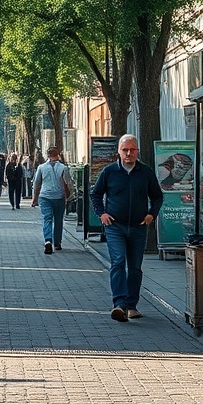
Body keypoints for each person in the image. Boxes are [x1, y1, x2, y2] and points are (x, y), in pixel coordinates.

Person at [89, 134, 164, 322]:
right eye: (125, 150)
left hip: (138, 227)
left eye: (132, 150)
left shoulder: (145, 172)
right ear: (119, 151)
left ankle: (131, 305)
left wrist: (151, 214)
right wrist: (102, 214)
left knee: (135, 267)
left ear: (138, 151)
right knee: (118, 261)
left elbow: (157, 196)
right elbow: (95, 194)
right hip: (115, 226)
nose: (129, 153)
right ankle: (119, 304)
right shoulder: (109, 172)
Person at [31, 146, 73, 254]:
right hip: (59, 197)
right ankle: (57, 243)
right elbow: (68, 183)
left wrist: (35, 198)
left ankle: (48, 240)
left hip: (45, 197)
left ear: (48, 155)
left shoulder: (41, 168)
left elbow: (37, 184)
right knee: (58, 220)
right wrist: (69, 195)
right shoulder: (63, 168)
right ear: (58, 155)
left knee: (47, 218)